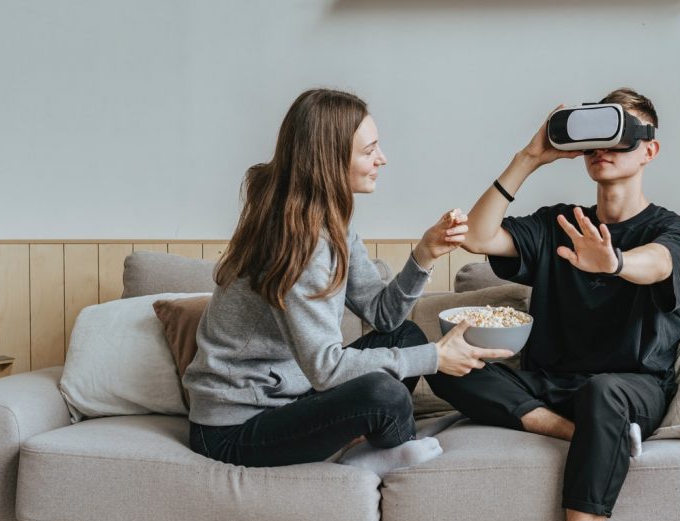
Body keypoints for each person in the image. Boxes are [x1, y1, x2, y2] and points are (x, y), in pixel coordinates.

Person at [427, 87, 680, 521]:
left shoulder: (676, 230)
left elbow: (656, 265)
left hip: (630, 386)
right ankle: (592, 436)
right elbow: (480, 238)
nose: (606, 149)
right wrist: (530, 157)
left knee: (603, 393)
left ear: (649, 150)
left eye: (622, 136)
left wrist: (615, 261)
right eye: (597, 140)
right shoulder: (558, 223)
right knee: (445, 363)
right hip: (548, 382)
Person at [183, 88, 512, 476]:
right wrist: (436, 358)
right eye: (369, 151)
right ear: (330, 158)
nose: (382, 159)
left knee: (404, 336)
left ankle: (371, 444)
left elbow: (383, 316)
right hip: (232, 428)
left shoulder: (329, 221)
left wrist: (424, 253)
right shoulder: (299, 244)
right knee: (383, 393)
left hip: (291, 394)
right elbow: (326, 369)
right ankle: (386, 453)